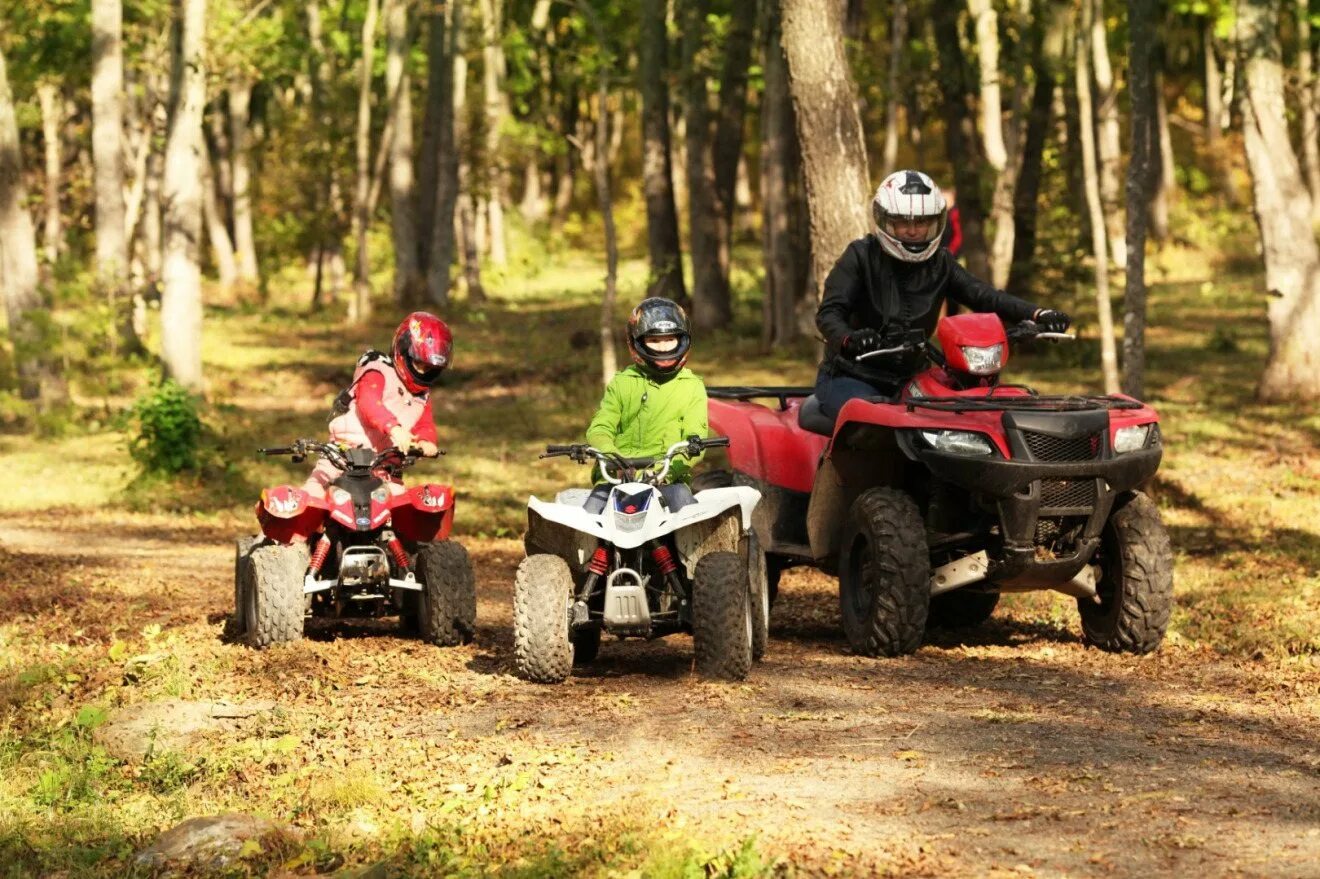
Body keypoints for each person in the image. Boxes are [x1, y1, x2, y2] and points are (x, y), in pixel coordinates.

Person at [813, 169, 1071, 422]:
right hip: (851, 377)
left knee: (960, 420)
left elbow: (983, 295)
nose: (913, 231)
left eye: (922, 222)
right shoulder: (860, 255)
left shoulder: (941, 263)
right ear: (886, 220)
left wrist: (1038, 314)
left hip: (912, 379)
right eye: (904, 221)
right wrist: (850, 339)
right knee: (871, 426)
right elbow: (829, 313)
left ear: (934, 222)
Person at [583, 297, 708, 513]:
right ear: (637, 342)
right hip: (616, 478)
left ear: (683, 340)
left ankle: (694, 549)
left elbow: (696, 438)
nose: (663, 347)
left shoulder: (692, 386)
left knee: (690, 518)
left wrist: (663, 471)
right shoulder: (622, 382)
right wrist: (612, 456)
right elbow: (600, 427)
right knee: (587, 519)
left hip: (669, 479)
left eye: (670, 339)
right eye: (655, 341)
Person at [305, 311, 452, 496]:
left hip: (384, 465)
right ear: (404, 349)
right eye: (419, 364)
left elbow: (424, 423)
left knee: (400, 504)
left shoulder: (422, 395)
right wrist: (393, 428)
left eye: (430, 369)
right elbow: (369, 404)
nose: (423, 372)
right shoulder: (378, 369)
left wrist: (426, 441)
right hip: (344, 454)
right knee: (313, 494)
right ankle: (294, 523)